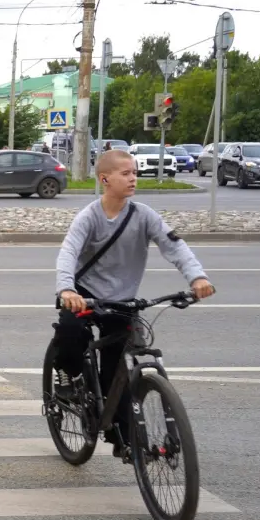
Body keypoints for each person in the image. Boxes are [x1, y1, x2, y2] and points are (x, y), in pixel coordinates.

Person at [53, 149, 215, 457]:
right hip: (85, 295)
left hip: (123, 301)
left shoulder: (144, 215)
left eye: (135, 173)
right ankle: (66, 377)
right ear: (105, 179)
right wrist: (67, 290)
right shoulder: (89, 217)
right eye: (126, 173)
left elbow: (175, 247)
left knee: (118, 369)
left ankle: (122, 437)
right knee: (71, 332)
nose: (133, 179)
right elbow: (68, 253)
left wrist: (197, 278)